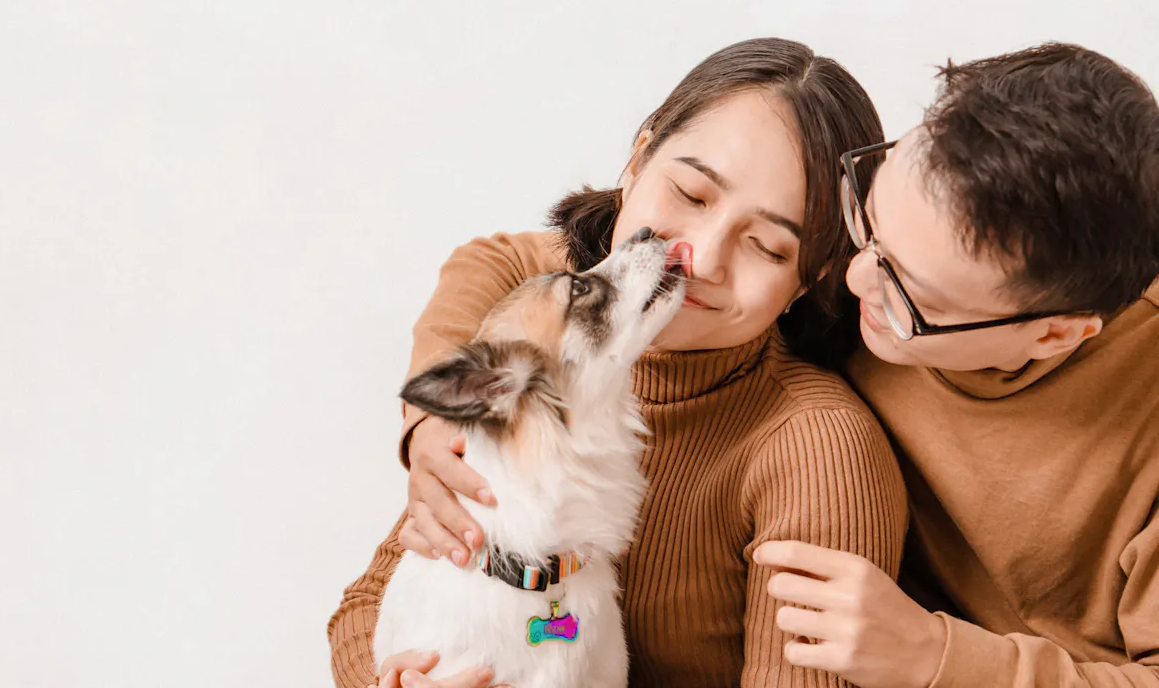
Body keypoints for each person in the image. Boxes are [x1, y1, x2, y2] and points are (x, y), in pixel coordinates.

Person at [328, 38, 909, 688]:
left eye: (768, 246)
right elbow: (373, 603)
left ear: (815, 275)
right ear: (637, 159)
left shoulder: (815, 448)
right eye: (692, 193)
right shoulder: (545, 379)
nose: (701, 258)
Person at [749, 43, 1159, 687]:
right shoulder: (870, 245)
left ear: (1054, 335)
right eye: (870, 217)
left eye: (913, 294)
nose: (854, 277)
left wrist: (930, 656)